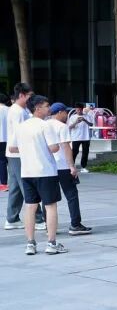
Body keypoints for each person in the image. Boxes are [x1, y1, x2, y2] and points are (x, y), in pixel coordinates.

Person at [13, 95, 66, 255]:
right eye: (46, 106)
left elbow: (12, 148)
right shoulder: (45, 125)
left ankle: (30, 243)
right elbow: (54, 148)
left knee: (30, 207)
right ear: (37, 108)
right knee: (50, 206)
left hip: (27, 172)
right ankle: (51, 243)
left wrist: (29, 149)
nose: (49, 109)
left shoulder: (21, 126)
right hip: (46, 171)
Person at [45, 104, 92, 236]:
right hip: (63, 166)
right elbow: (66, 147)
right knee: (72, 195)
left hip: (49, 167)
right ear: (60, 112)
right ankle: (75, 224)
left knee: (48, 198)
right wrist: (72, 166)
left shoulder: (44, 125)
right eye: (65, 112)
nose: (67, 115)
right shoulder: (62, 126)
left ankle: (49, 226)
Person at [5, 83, 43, 231]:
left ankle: (12, 218)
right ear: (21, 95)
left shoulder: (19, 110)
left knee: (16, 187)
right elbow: (20, 133)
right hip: (18, 153)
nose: (31, 99)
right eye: (29, 96)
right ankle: (38, 219)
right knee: (27, 185)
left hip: (14, 153)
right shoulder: (18, 112)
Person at [67, 104, 93, 173]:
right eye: (77, 110)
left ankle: (83, 167)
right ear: (75, 110)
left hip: (86, 137)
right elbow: (69, 127)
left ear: (82, 109)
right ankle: (72, 166)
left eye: (80, 110)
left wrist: (85, 120)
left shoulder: (87, 116)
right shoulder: (72, 117)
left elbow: (91, 124)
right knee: (74, 152)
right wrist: (76, 122)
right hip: (76, 137)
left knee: (85, 152)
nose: (79, 111)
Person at [0, 93, 9, 190]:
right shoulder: (9, 110)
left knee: (1, 161)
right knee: (9, 162)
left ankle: (3, 184)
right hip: (8, 138)